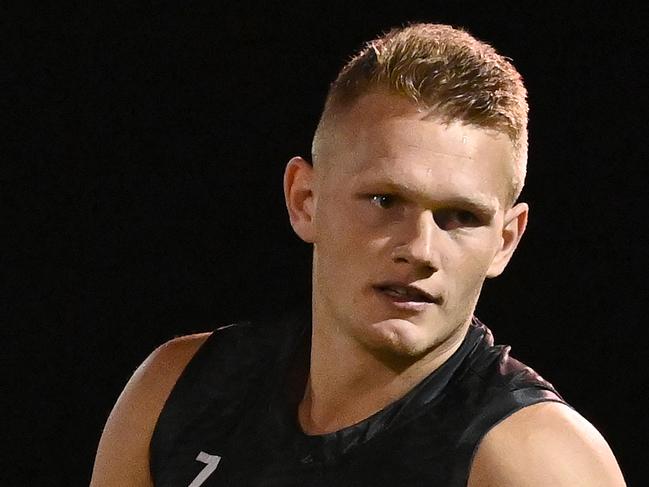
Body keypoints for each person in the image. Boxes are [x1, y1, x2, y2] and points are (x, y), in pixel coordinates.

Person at [90, 23, 626, 486]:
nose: (420, 249)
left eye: (460, 217)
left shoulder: (534, 463)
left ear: (505, 240)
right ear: (305, 201)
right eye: (385, 200)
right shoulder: (180, 390)